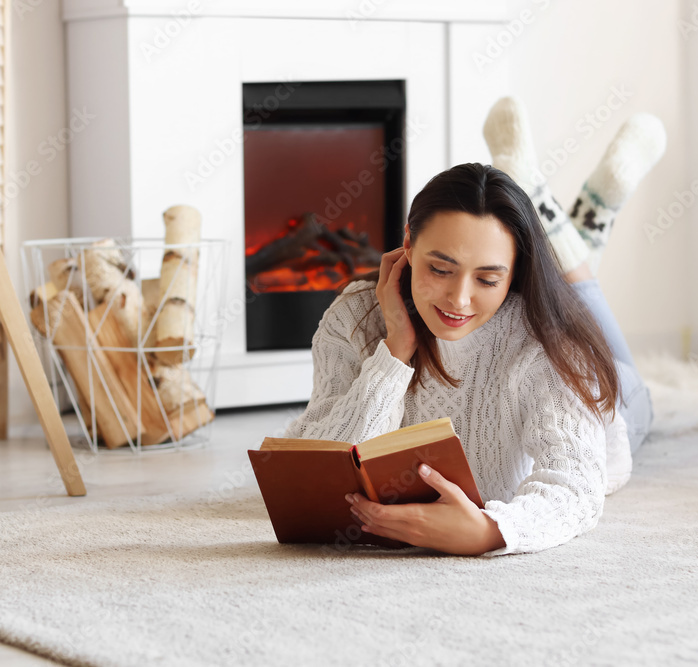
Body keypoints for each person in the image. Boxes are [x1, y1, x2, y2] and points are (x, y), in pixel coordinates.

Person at [283, 98, 666, 557]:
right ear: (408, 243)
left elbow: (575, 487)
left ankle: (582, 219)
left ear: (514, 272)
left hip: (619, 399)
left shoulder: (551, 343)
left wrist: (489, 530)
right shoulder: (355, 318)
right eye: (440, 269)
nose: (458, 300)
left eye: (487, 278)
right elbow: (319, 466)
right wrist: (394, 352)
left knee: (578, 302)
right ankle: (573, 222)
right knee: (562, 293)